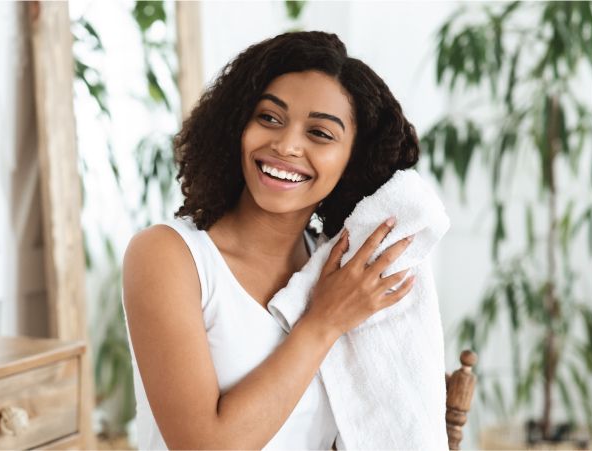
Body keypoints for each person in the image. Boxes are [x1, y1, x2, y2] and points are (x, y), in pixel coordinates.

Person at [123, 30, 421, 450]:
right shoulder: (169, 256)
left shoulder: (335, 269)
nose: (286, 145)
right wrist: (323, 323)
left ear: (353, 160)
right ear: (236, 125)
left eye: (320, 133)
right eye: (269, 117)